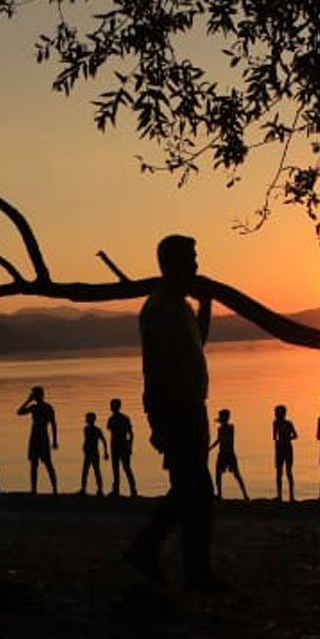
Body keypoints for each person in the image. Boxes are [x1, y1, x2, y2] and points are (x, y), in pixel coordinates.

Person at [125, 235, 222, 590]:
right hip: (177, 411)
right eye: (191, 259)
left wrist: (206, 304)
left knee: (189, 490)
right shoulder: (159, 310)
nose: (196, 266)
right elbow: (154, 370)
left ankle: (153, 552)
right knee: (196, 490)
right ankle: (192, 570)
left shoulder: (179, 307)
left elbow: (198, 344)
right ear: (173, 263)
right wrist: (157, 420)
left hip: (192, 408)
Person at [17, 386, 58, 494]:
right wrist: (28, 401)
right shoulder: (34, 407)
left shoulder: (46, 407)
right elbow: (19, 412)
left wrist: (54, 441)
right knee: (34, 464)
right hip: (35, 437)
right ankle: (34, 489)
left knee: (48, 464)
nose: (33, 396)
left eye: (33, 394)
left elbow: (53, 424)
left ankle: (54, 489)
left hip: (42, 437)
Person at [210, 408, 249, 500]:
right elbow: (219, 440)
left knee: (236, 474)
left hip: (228, 453)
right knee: (218, 474)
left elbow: (223, 438)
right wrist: (210, 448)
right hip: (223, 453)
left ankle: (245, 495)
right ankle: (220, 495)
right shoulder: (222, 428)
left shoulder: (230, 428)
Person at [106, 398, 138, 497]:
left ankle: (133, 490)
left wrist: (130, 446)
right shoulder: (113, 419)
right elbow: (130, 434)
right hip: (116, 445)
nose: (111, 407)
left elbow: (131, 433)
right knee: (117, 468)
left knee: (126, 468)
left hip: (121, 445)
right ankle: (116, 490)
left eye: (112, 405)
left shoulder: (122, 418)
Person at [273, 405, 298, 502]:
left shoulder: (287, 423)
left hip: (285, 448)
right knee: (280, 472)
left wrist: (285, 438)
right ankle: (280, 496)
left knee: (288, 472)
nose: (276, 415)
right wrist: (284, 439)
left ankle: (291, 496)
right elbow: (275, 436)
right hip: (281, 448)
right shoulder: (276, 423)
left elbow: (295, 435)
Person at [80, 412, 109, 495]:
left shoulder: (97, 430)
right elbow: (86, 440)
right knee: (85, 471)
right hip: (88, 452)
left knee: (96, 470)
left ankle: (100, 489)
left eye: (88, 419)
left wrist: (105, 452)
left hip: (94, 452)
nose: (86, 420)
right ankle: (83, 489)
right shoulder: (86, 429)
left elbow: (103, 440)